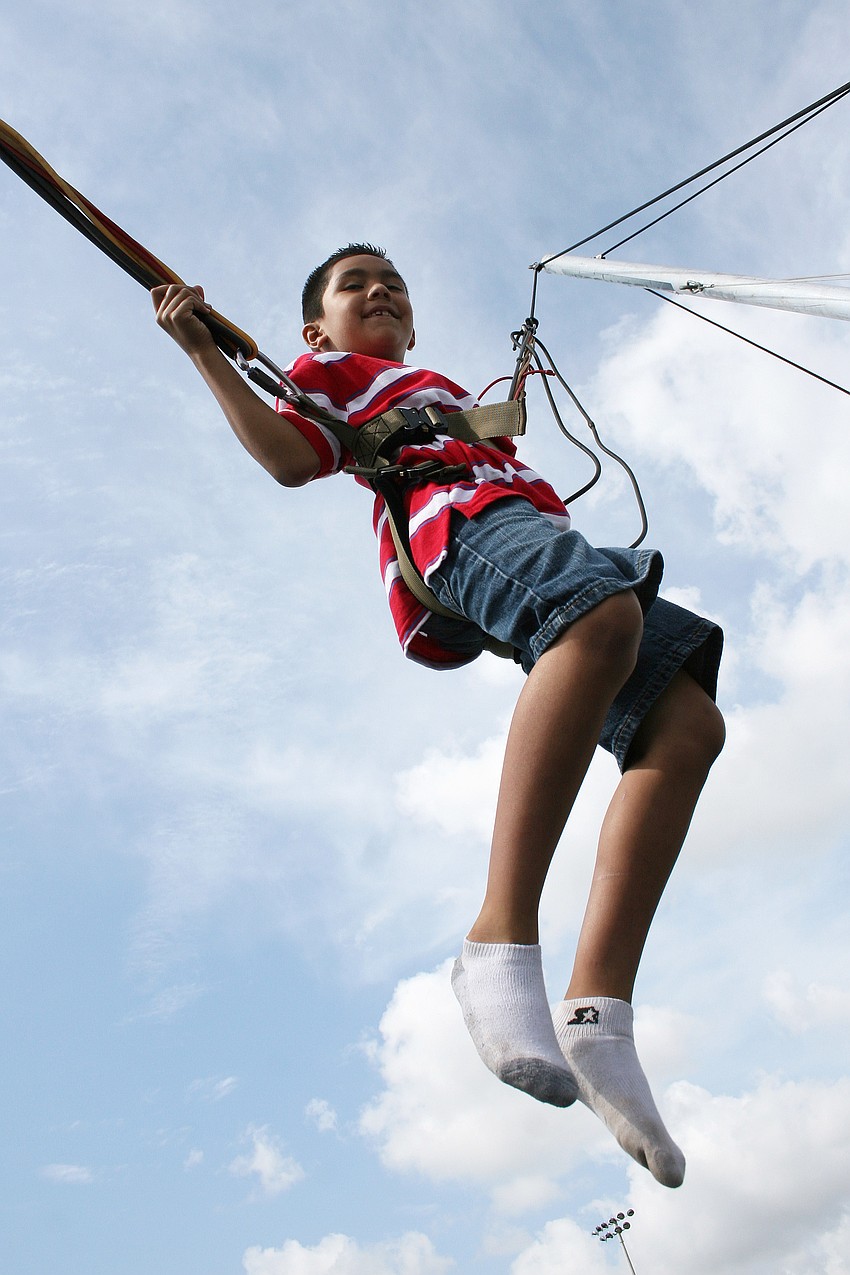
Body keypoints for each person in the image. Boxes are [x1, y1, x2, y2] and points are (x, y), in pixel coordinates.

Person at [152, 243, 725, 1188]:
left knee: (690, 725)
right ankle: (499, 935)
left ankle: (600, 1013)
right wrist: (204, 351)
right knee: (598, 618)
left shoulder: (435, 384)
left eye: (393, 285)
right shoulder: (324, 375)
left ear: (414, 325)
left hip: (537, 533)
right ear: (316, 330)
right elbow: (291, 458)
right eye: (354, 286)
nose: (379, 290)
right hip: (456, 525)